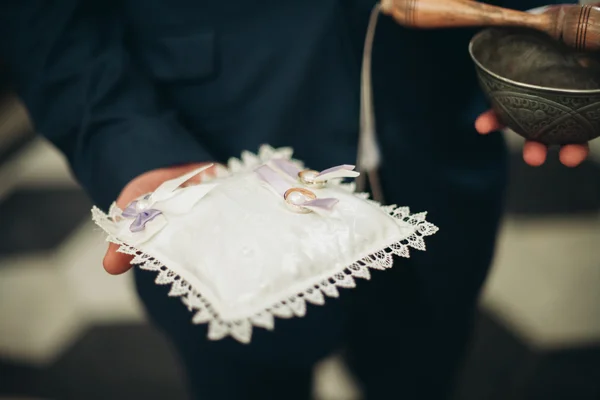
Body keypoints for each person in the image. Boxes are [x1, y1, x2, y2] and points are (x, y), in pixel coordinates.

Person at [0, 1, 588, 399]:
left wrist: (545, 25)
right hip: (212, 151)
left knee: (425, 369)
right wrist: (127, 143)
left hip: (437, 149)